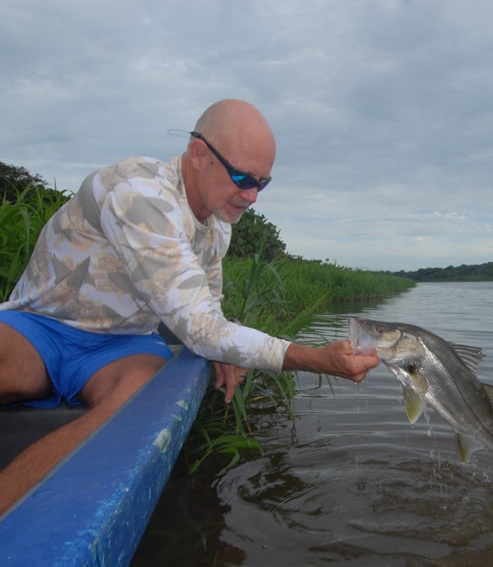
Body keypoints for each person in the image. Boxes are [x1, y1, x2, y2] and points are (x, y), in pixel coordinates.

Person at [0, 99, 379, 514]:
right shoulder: (139, 193)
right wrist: (316, 359)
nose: (251, 196)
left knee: (137, 406)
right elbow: (200, 327)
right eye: (242, 177)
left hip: (122, 347)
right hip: (41, 326)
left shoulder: (217, 225)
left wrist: (222, 345)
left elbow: (206, 311)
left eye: (262, 183)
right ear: (199, 154)